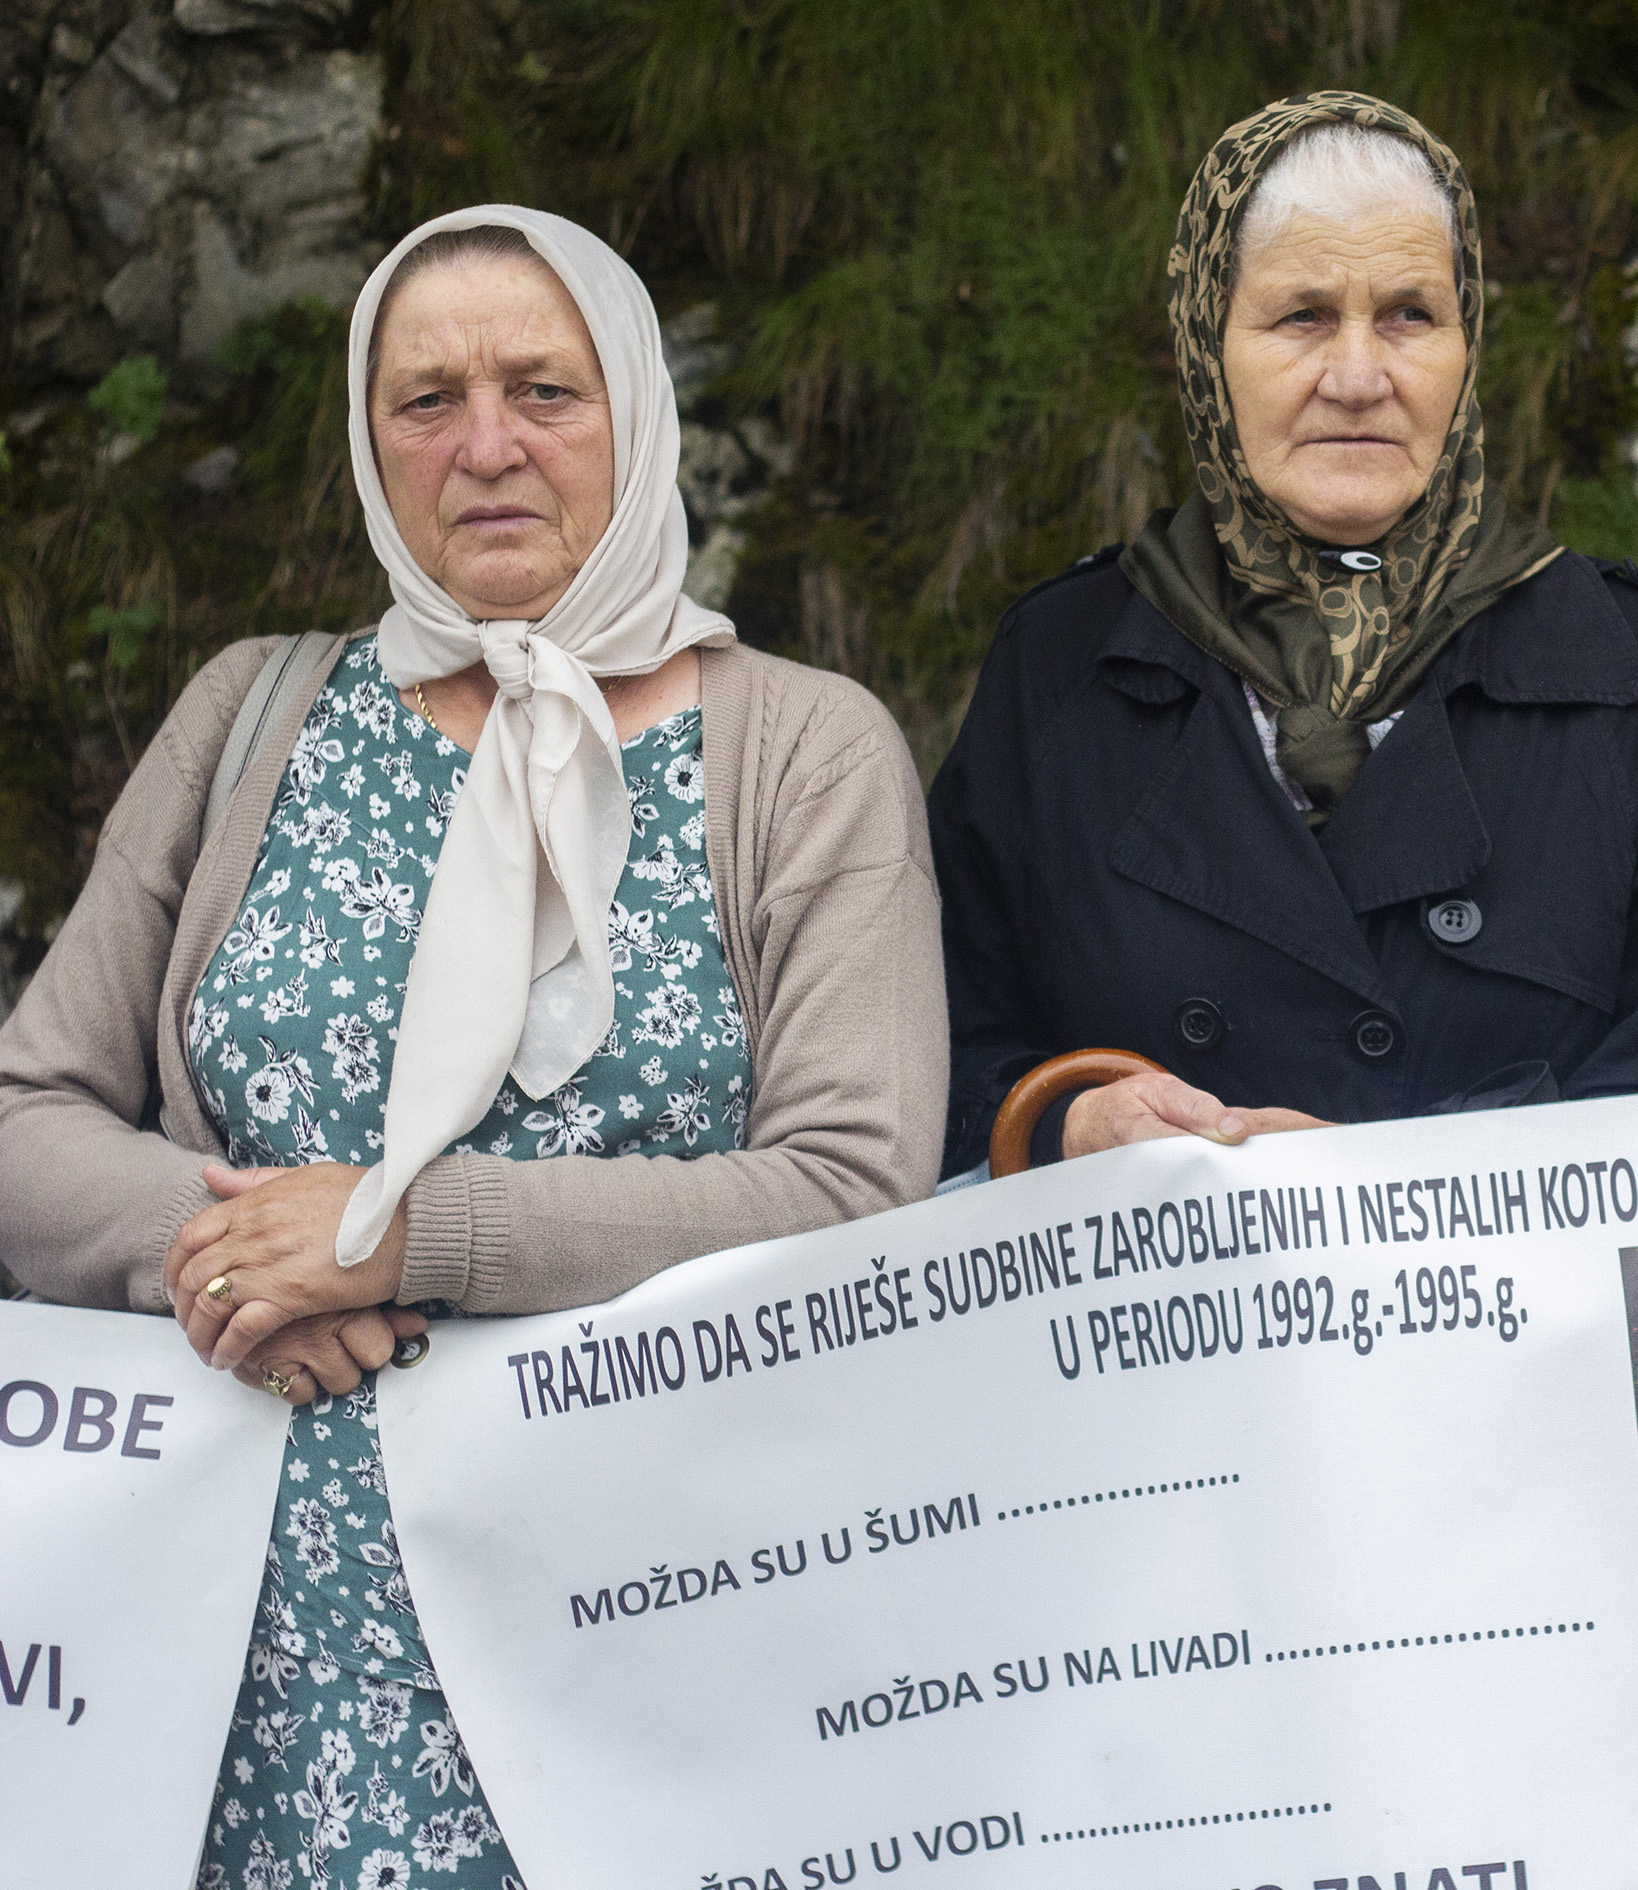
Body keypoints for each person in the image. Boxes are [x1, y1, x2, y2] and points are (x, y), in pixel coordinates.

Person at [0, 207, 946, 1884]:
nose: (488, 447)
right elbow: (29, 1113)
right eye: (425, 400)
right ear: (370, 445)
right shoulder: (249, 714)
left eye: (544, 390)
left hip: (650, 1658)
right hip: (254, 1681)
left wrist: (407, 1238)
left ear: (634, 408)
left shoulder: (803, 751)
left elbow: (855, 1190)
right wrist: (224, 1268)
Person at [929, 92, 1638, 1173]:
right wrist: (1070, 1123)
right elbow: (938, 1055)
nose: (1358, 376)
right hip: (1162, 1329)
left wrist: (1392, 1189)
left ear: (1466, 341)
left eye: (1409, 315)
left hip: (1514, 1333)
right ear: (1210, 346)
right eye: (1302, 316)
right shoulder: (1061, 670)